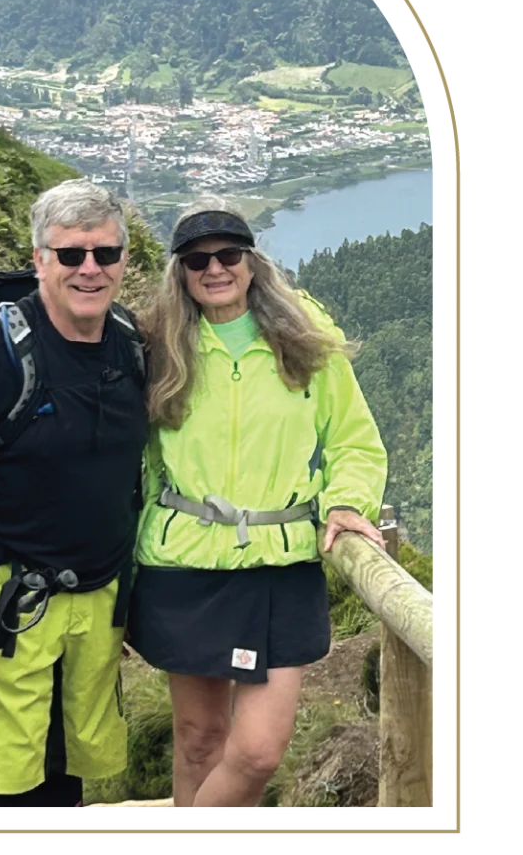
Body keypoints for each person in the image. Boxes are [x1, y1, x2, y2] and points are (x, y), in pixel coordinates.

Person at [126, 198, 388, 811]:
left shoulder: (303, 335)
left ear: (251, 261)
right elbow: (127, 458)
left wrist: (347, 501)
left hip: (279, 559)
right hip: (180, 561)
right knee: (198, 740)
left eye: (228, 254)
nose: (214, 269)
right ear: (180, 272)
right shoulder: (155, 344)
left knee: (258, 752)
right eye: (197, 260)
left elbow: (352, 437)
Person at [0, 179, 148, 815]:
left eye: (105, 253)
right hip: (9, 597)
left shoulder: (131, 342)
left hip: (99, 598)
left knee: (70, 768)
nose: (89, 269)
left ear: (125, 259)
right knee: (9, 779)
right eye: (70, 255)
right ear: (39, 259)